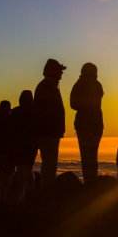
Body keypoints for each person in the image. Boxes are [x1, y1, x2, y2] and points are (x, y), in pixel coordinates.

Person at [34, 58, 66, 188]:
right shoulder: (46, 87)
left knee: (49, 164)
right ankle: (46, 192)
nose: (61, 74)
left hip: (50, 132)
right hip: (48, 133)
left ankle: (47, 190)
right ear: (53, 71)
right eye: (59, 71)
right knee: (49, 164)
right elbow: (46, 112)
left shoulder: (49, 86)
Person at [70, 63, 104, 183]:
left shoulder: (82, 84)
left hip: (87, 125)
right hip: (91, 125)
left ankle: (90, 182)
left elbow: (73, 103)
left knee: (87, 155)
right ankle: (91, 182)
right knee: (91, 155)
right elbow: (73, 103)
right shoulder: (95, 85)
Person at [10, 90, 36, 203]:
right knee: (26, 170)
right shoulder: (35, 112)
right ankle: (26, 196)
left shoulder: (14, 112)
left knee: (22, 171)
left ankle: (23, 196)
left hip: (18, 146)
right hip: (29, 147)